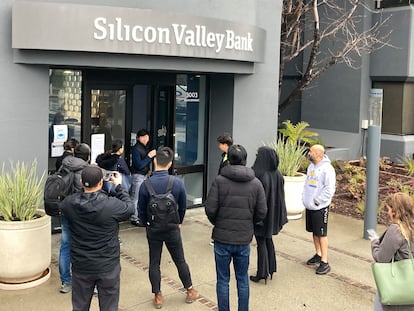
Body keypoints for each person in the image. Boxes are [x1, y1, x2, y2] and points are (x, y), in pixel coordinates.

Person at [61, 165, 134, 311]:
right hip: (107, 265)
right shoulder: (111, 205)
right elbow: (130, 207)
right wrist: (119, 186)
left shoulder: (69, 204)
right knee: (109, 306)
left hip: (81, 265)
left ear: (81, 181)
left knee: (80, 306)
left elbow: (57, 204)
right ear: (101, 183)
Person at [205, 144, 267, 311]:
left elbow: (210, 209)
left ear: (229, 160)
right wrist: (249, 224)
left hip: (221, 239)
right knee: (242, 279)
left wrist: (218, 223)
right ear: (245, 160)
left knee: (223, 280)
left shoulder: (219, 181)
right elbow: (262, 212)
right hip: (243, 239)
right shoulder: (256, 184)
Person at [138, 146, 199, 309]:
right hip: (172, 228)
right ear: (170, 164)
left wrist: (147, 224)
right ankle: (190, 290)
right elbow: (183, 207)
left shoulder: (146, 184)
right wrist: (179, 222)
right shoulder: (177, 183)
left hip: (153, 229)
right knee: (179, 260)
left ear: (155, 161)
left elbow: (141, 209)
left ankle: (157, 295)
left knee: (154, 262)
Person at [370, 192, 414, 311]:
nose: (388, 213)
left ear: (395, 211)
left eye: (389, 209)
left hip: (396, 288)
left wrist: (374, 242)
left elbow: (381, 258)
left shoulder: (397, 230)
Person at [250, 146, 288, 284]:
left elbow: (259, 199)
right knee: (268, 240)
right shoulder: (277, 174)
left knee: (261, 242)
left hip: (262, 215)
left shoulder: (261, 175)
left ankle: (262, 272)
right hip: (273, 214)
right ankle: (271, 268)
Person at [58, 143, 90, 294]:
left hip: (65, 210)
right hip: (81, 214)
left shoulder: (64, 164)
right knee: (85, 246)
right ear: (87, 156)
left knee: (65, 246)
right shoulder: (86, 171)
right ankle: (87, 282)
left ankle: (66, 281)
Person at [302, 144, 336, 275]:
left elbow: (329, 189)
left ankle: (325, 261)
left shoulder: (328, 169)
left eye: (311, 151)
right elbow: (307, 184)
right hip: (310, 205)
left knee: (321, 234)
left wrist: (318, 200)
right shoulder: (311, 166)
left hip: (320, 207)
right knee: (314, 232)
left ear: (318, 154)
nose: (309, 153)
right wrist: (305, 198)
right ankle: (318, 253)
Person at [130, 129, 156, 227]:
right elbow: (139, 165)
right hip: (138, 176)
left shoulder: (145, 147)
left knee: (145, 196)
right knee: (135, 197)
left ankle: (142, 216)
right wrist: (149, 156)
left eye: (146, 137)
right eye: (143, 137)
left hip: (145, 175)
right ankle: (134, 218)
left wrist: (149, 170)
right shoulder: (136, 149)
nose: (145, 139)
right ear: (138, 138)